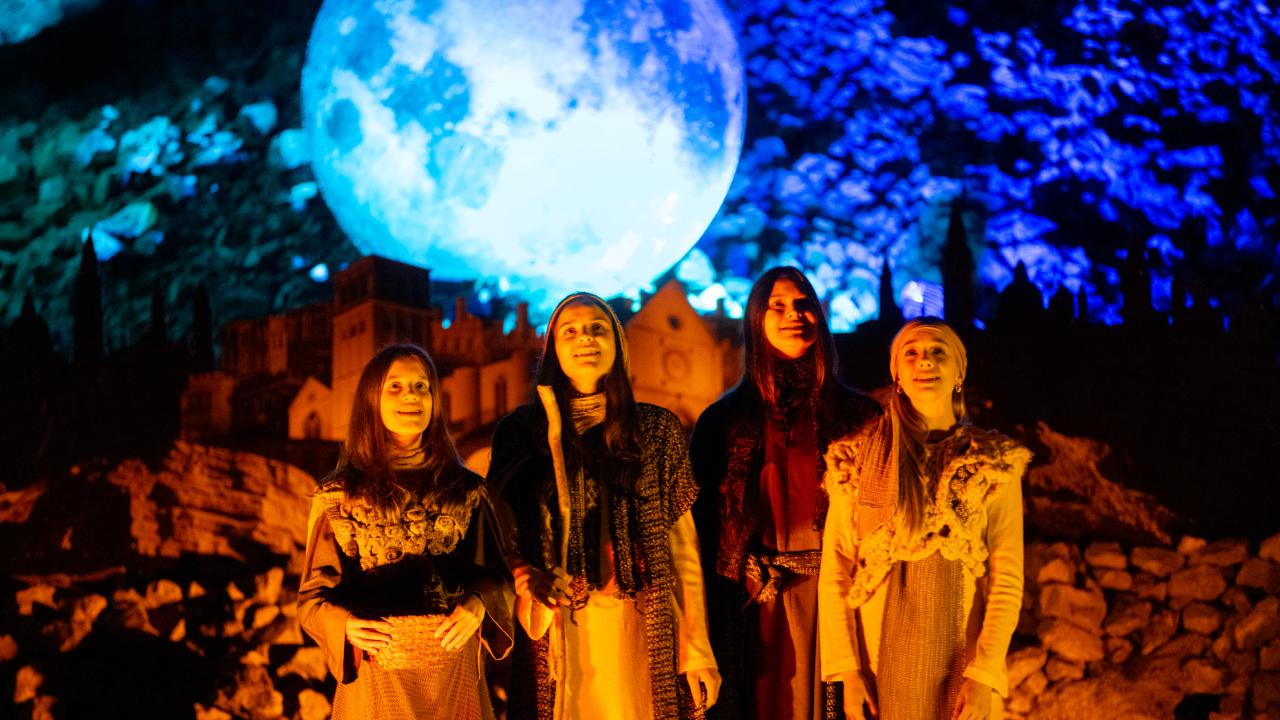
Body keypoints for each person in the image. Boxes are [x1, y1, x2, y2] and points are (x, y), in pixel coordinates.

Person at [488, 291, 720, 720]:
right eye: (570, 331)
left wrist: (697, 649)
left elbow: (683, 549)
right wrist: (528, 579)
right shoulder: (520, 434)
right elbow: (499, 535)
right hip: (556, 631)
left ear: (617, 342)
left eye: (598, 329)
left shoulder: (657, 429)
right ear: (553, 348)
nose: (585, 339)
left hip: (638, 625)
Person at [689, 267, 880, 720]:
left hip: (838, 602)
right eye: (777, 306)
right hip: (752, 605)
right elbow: (695, 529)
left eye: (802, 303)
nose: (793, 314)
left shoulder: (862, 417)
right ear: (756, 320)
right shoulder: (721, 422)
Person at [817, 318, 1030, 720]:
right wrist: (846, 670)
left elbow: (1006, 577)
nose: (924, 362)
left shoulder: (991, 463)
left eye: (937, 351)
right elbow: (836, 569)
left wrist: (983, 674)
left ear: (959, 371)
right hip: (878, 665)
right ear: (896, 374)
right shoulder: (856, 459)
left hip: (960, 666)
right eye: (911, 353)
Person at [298, 344, 513, 720]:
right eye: (394, 387)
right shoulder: (339, 496)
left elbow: (498, 576)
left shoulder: (467, 490)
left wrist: (479, 604)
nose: (410, 396)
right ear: (371, 400)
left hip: (452, 675)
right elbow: (313, 598)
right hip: (376, 679)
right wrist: (345, 625)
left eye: (421, 386)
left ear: (434, 399)